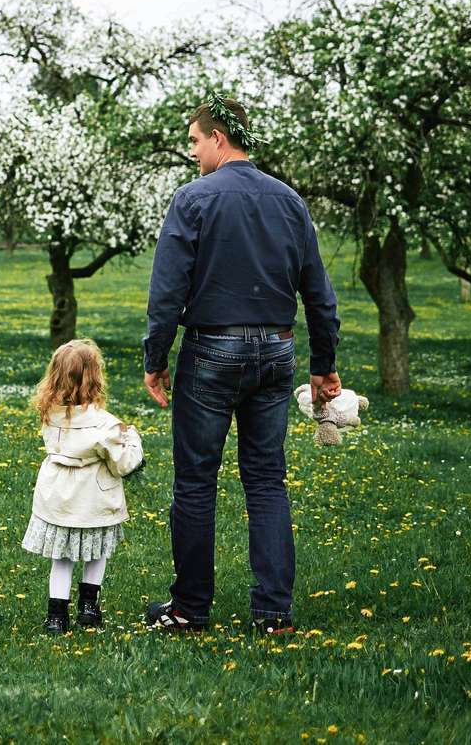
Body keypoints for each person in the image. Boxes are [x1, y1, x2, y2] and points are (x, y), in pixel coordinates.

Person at [142, 97, 340, 636]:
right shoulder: (290, 202)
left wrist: (155, 360)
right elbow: (319, 292)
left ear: (219, 138)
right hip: (276, 351)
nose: (192, 152)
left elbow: (167, 291)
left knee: (196, 483)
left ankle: (188, 610)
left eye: (195, 141)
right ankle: (273, 615)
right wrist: (324, 365)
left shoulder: (193, 200)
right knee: (267, 481)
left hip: (212, 350)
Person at [20, 338, 144, 634]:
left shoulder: (49, 414)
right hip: (93, 501)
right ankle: (89, 607)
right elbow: (123, 464)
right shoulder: (105, 425)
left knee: (61, 559)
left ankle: (56, 617)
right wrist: (133, 439)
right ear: (95, 377)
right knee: (96, 551)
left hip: (58, 500)